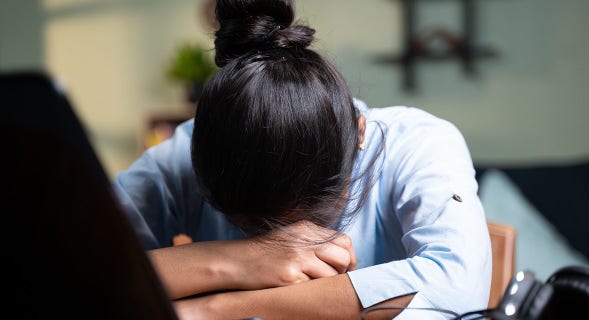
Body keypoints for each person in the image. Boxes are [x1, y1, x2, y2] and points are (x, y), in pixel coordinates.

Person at [113, 0, 492, 319]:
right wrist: (241, 259)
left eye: (309, 221)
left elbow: (458, 284)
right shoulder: (189, 150)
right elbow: (70, 270)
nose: (291, 244)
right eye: (249, 227)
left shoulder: (416, 144)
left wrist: (217, 307)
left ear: (359, 136)